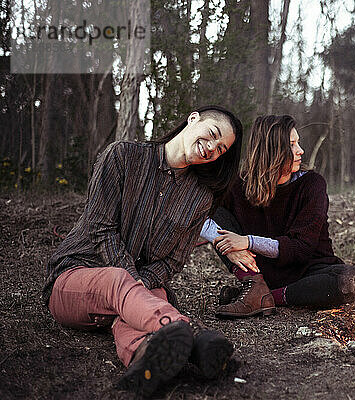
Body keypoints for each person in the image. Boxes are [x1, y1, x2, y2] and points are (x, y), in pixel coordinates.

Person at [42, 106, 244, 396]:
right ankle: (194, 337)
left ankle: (144, 362)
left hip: (135, 296)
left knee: (148, 298)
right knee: (118, 281)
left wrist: (140, 286)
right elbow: (100, 228)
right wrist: (134, 283)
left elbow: (173, 261)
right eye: (212, 135)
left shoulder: (198, 197)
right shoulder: (122, 156)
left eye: (221, 149)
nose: (212, 148)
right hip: (75, 278)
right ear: (193, 118)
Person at [199, 114, 355, 318]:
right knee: (215, 213)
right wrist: (225, 244)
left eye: (298, 143)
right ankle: (254, 286)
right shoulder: (237, 186)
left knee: (349, 280)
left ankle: (265, 296)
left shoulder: (312, 184)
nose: (300, 151)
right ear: (272, 151)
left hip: (307, 272)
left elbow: (301, 249)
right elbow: (196, 214)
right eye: (292, 145)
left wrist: (247, 242)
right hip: (259, 271)